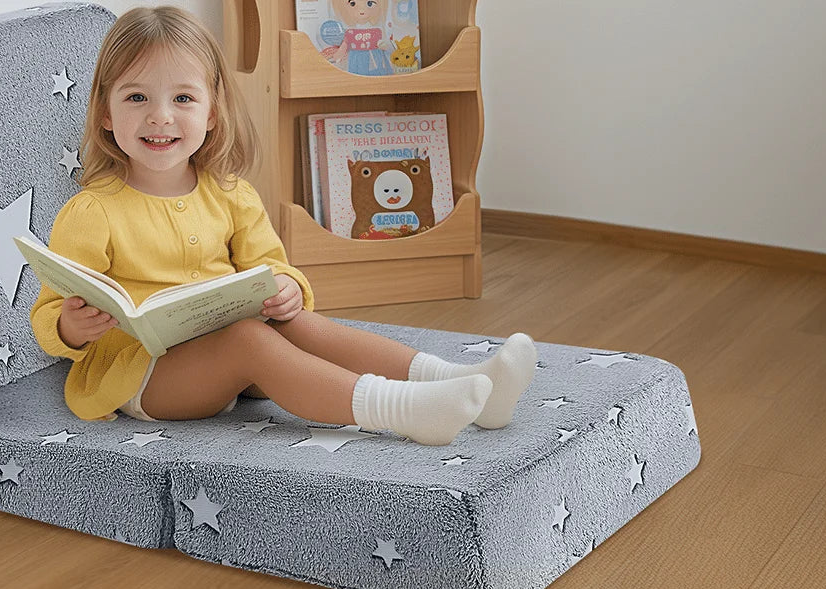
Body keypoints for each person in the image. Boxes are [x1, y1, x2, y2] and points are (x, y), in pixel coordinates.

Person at [29, 6, 538, 446]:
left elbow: (273, 268)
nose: (160, 117)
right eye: (137, 98)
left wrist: (288, 290)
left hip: (226, 360)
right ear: (105, 115)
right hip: (142, 378)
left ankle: (462, 379)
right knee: (248, 339)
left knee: (291, 323)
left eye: (182, 99)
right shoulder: (92, 212)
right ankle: (406, 410)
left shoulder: (230, 193)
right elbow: (51, 315)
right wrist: (71, 328)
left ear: (212, 112)